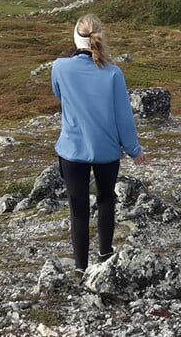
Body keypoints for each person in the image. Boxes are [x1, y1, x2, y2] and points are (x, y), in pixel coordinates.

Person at [51, 14, 147, 273]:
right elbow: (123, 117)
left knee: (78, 209)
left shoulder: (59, 67)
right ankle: (105, 256)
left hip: (72, 150)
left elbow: (58, 93)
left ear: (75, 37)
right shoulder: (114, 73)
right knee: (106, 199)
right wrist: (134, 149)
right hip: (106, 149)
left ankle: (81, 269)